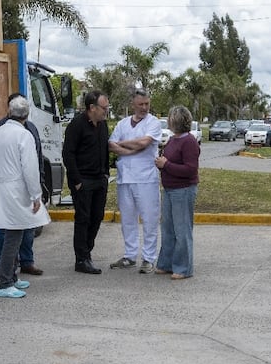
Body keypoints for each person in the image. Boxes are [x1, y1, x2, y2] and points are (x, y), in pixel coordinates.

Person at [0, 96, 50, 298]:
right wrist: (36, 195)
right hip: (17, 191)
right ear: (27, 114)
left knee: (10, 234)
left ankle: (10, 277)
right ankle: (5, 283)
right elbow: (30, 168)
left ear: (9, 112)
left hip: (1, 189)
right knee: (14, 237)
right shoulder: (24, 135)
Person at [107, 89, 161, 273]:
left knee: (149, 219)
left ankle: (148, 258)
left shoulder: (153, 122)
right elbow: (110, 145)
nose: (144, 107)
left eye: (147, 104)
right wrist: (129, 148)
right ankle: (130, 256)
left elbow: (143, 143)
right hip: (125, 178)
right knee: (128, 219)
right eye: (141, 104)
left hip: (146, 179)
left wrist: (123, 143)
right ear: (133, 105)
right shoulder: (122, 124)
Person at [62, 90, 111, 275]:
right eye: (103, 108)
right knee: (83, 219)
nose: (106, 111)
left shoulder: (103, 125)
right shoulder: (77, 125)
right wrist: (76, 181)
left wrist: (105, 173)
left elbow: (104, 150)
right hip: (83, 181)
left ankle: (87, 252)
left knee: (97, 217)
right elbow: (68, 154)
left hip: (99, 179)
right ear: (92, 108)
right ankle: (81, 259)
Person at [154, 105, 200, 280]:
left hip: (183, 190)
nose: (168, 121)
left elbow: (190, 169)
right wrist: (161, 163)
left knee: (182, 230)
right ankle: (166, 263)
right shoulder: (173, 139)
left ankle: (183, 268)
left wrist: (166, 165)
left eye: (170, 118)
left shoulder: (189, 141)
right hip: (169, 189)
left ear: (176, 121)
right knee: (168, 229)